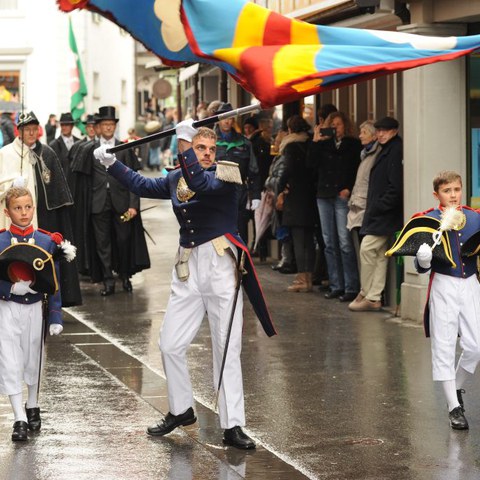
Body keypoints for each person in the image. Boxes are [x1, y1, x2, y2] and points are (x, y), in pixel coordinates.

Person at [94, 121, 276, 449]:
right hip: (189, 266)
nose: (207, 154)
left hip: (221, 265)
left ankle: (232, 425)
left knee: (226, 348)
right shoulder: (178, 176)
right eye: (200, 148)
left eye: (210, 149)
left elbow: (202, 185)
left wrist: (183, 145)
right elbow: (142, 184)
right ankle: (181, 409)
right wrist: (112, 163)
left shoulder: (226, 174)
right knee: (169, 343)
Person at [412, 171, 480, 430]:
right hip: (443, 284)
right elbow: (419, 267)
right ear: (436, 194)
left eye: (456, 189)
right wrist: (424, 259)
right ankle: (453, 407)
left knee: (475, 346)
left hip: (471, 284)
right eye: (447, 190)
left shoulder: (475, 217)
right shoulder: (426, 220)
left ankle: (457, 389)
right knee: (444, 344)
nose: (453, 195)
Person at [0, 187, 65, 441]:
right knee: (10, 360)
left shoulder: (47, 241)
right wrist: (9, 287)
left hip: (36, 309)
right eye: (17, 208)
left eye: (28, 207)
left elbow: (55, 281)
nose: (24, 213)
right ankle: (19, 418)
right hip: (7, 307)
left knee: (33, 359)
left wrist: (56, 316)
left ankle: (33, 402)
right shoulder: (1, 241)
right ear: (7, 212)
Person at [0, 111, 81, 307]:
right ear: (19, 131)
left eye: (34, 129)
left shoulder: (47, 152)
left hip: (45, 215)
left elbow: (56, 187)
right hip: (16, 217)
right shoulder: (6, 154)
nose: (31, 133)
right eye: (27, 129)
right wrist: (11, 185)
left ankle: (48, 297)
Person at [70, 106, 150, 296]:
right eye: (104, 124)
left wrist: (133, 205)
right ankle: (108, 280)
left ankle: (124, 275)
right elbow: (83, 181)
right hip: (98, 204)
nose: (107, 127)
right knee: (102, 243)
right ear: (98, 127)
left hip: (121, 202)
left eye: (111, 124)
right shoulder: (89, 149)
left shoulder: (124, 148)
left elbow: (134, 178)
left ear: (114, 126)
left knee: (123, 240)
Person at [349, 116, 403, 311]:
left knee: (367, 249)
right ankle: (373, 297)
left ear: (394, 131)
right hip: (382, 212)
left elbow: (395, 187)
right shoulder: (388, 149)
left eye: (384, 131)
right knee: (379, 254)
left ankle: (367, 292)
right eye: (378, 130)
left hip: (384, 213)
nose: (380, 134)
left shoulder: (394, 151)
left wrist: (378, 206)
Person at [307, 111, 361, 302]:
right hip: (323, 194)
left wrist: (348, 187)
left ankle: (351, 286)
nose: (336, 127)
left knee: (345, 242)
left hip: (341, 195)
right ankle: (336, 284)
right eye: (333, 124)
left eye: (338, 124)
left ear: (345, 125)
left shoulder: (353, 145)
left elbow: (356, 168)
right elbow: (310, 165)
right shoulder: (322, 144)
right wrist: (315, 141)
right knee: (329, 242)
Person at [277, 115, 316, 292]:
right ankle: (309, 278)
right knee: (308, 239)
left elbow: (287, 171)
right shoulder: (311, 144)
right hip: (311, 196)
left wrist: (279, 188)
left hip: (295, 196)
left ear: (290, 129)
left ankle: (301, 280)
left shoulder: (291, 146)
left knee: (298, 240)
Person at [214, 102, 261, 245]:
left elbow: (253, 170)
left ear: (233, 120)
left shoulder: (244, 143)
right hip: (215, 192)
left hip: (238, 193)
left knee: (239, 233)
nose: (227, 121)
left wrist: (256, 196)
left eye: (230, 118)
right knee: (217, 235)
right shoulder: (210, 142)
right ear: (219, 119)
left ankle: (241, 265)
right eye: (224, 118)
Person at [346, 120, 381, 265]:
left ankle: (370, 287)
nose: (360, 136)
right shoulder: (365, 154)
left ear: (374, 136)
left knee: (368, 251)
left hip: (366, 207)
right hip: (358, 206)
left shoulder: (375, 155)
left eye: (364, 132)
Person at [49, 112, 80, 177]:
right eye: (62, 125)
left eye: (67, 125)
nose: (64, 127)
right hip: (61, 183)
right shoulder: (53, 145)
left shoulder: (79, 143)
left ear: (72, 126)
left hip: (77, 183)